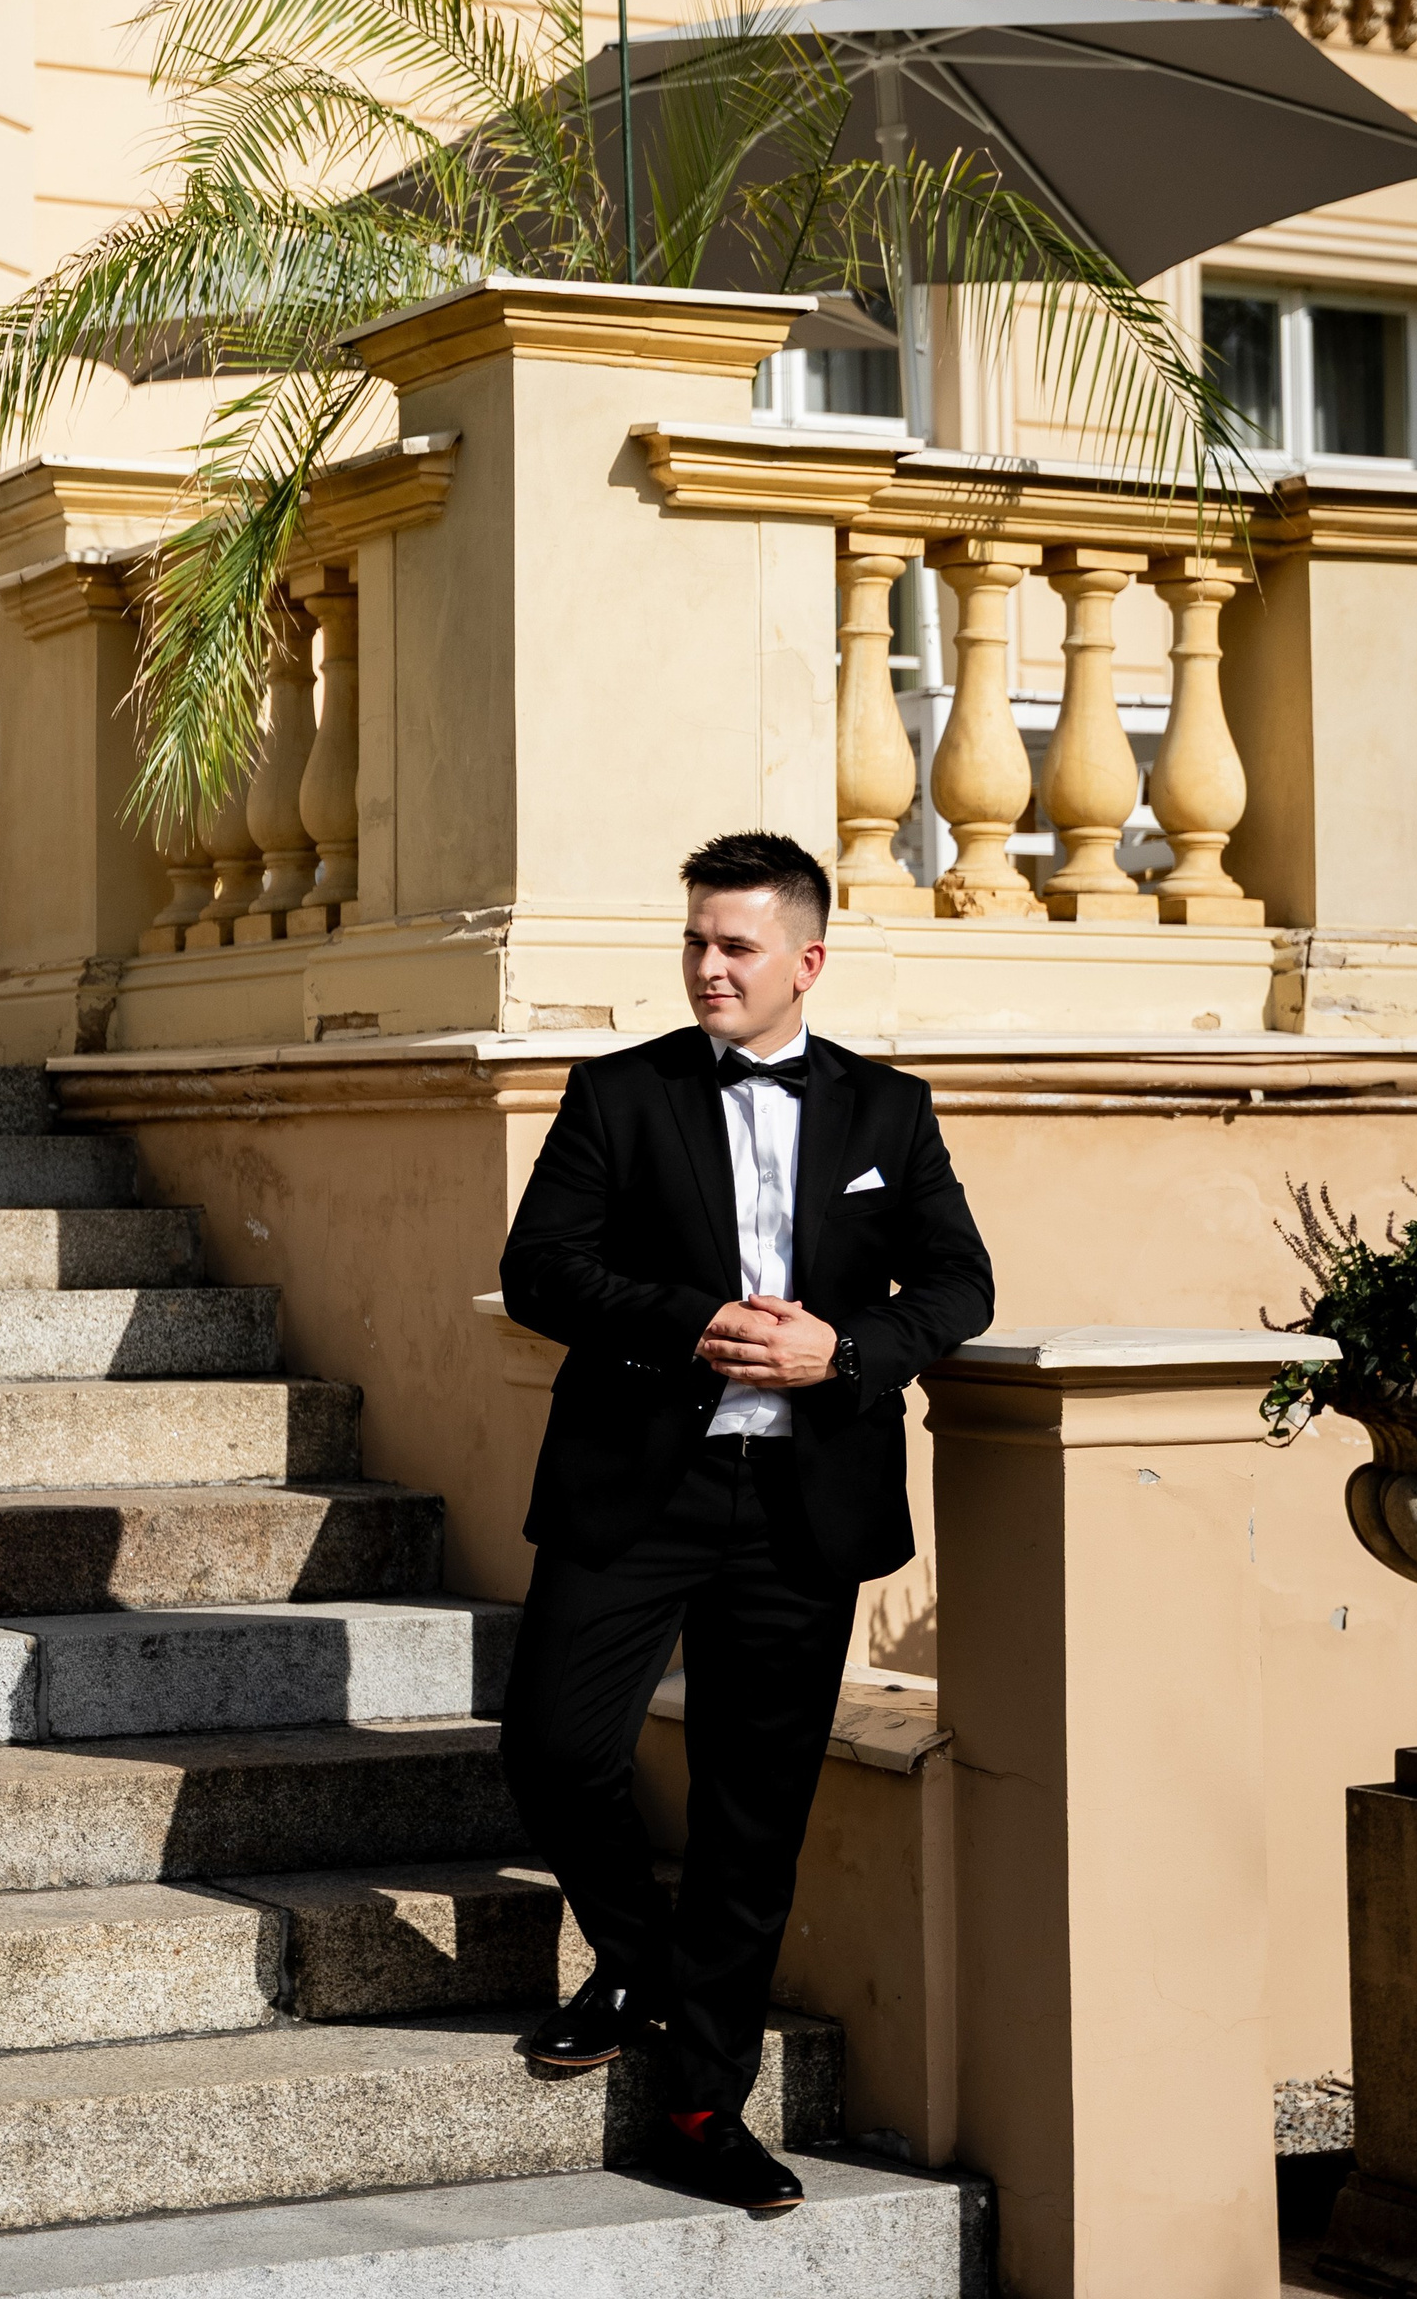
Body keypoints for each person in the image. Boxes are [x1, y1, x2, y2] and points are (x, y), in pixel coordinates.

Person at [498, 829, 994, 2214]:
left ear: (806, 961)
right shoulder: (620, 1093)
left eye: (736, 946)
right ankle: (638, 1958)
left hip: (803, 1507)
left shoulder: (890, 1111)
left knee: (751, 1819)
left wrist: (847, 1350)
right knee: (554, 1745)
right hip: (637, 1485)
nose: (709, 968)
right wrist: (691, 1323)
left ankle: (704, 2107)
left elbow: (960, 1285)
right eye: (696, 944)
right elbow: (541, 1270)